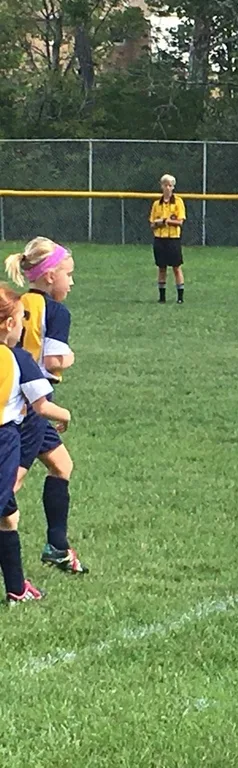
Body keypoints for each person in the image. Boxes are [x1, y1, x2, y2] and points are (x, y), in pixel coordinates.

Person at [5, 238, 87, 574]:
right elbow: (52, 360)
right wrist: (70, 357)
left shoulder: (18, 303)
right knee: (9, 487)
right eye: (68, 274)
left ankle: (57, 545)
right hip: (32, 408)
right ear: (50, 276)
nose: (71, 281)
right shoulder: (56, 311)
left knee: (62, 465)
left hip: (16, 397)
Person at [0, 284, 72, 603]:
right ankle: (17, 588)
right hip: (5, 439)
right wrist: (66, 414)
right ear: (10, 325)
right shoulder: (18, 359)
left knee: (9, 516)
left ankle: (17, 588)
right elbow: (42, 406)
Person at [149, 174, 186, 304]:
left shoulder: (178, 202)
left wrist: (168, 221)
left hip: (173, 238)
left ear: (173, 187)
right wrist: (159, 222)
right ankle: (162, 296)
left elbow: (180, 221)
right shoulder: (156, 204)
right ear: (161, 186)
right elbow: (152, 224)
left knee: (176, 267)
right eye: (165, 185)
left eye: (170, 185)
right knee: (161, 267)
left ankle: (180, 297)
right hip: (160, 238)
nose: (168, 188)